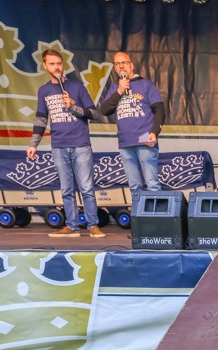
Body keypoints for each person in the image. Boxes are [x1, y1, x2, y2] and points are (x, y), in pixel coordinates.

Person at [27, 49, 104, 239]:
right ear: (45, 66)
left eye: (59, 63)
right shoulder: (44, 90)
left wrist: (73, 106)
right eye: (52, 64)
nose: (56, 67)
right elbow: (41, 119)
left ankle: (93, 226)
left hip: (80, 144)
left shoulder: (77, 87)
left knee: (86, 187)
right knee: (66, 189)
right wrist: (33, 144)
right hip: (59, 145)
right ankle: (71, 226)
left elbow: (94, 113)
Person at [98, 51, 165, 200]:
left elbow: (159, 110)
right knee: (134, 186)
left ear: (131, 65)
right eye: (117, 64)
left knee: (152, 183)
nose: (121, 66)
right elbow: (105, 109)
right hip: (125, 141)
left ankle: (159, 220)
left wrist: (154, 132)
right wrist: (120, 91)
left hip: (144, 137)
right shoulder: (115, 88)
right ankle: (140, 220)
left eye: (124, 62)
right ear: (115, 68)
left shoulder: (145, 84)